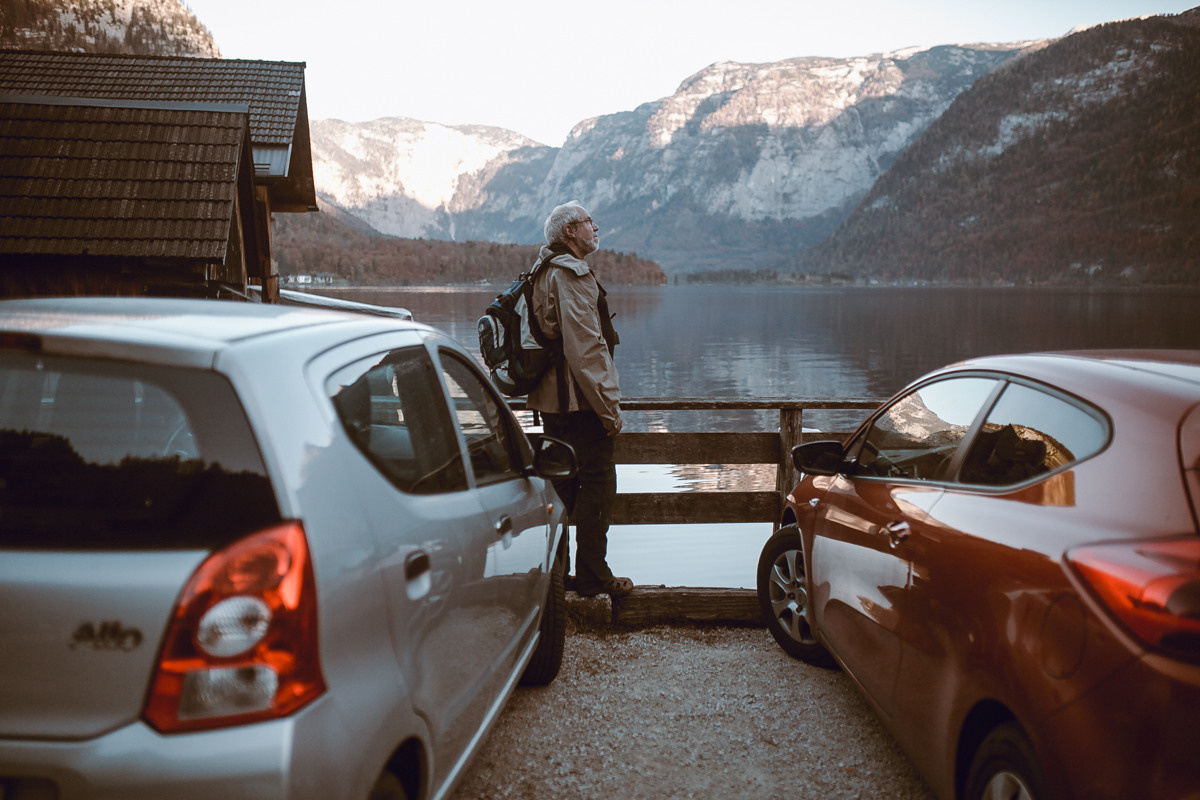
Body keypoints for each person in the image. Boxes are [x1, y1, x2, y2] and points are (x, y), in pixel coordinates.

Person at [528, 201, 633, 599]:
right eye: (589, 222)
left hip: (554, 404)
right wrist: (609, 409)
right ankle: (591, 576)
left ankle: (555, 578)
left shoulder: (543, 269)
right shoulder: (569, 273)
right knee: (598, 485)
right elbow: (586, 348)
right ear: (570, 231)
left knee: (561, 490)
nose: (596, 227)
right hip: (579, 404)